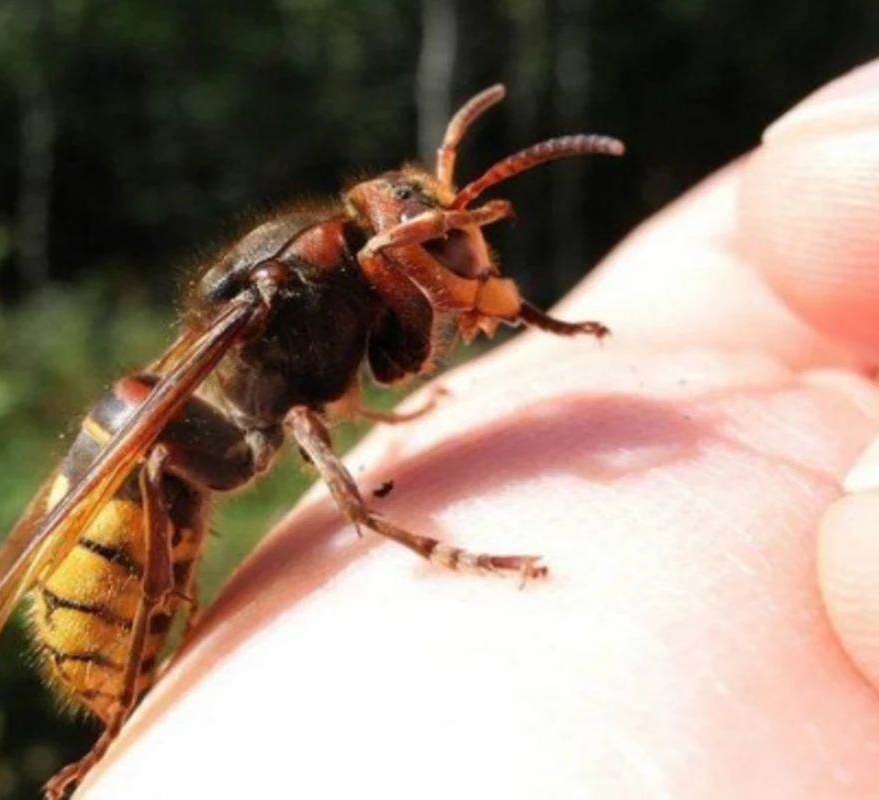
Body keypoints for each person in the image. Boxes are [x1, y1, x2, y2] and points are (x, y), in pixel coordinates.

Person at [81, 59, 879, 798]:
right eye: (432, 244)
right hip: (116, 527)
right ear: (387, 247)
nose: (464, 263)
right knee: (160, 461)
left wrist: (509, 317)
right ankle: (117, 719)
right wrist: (438, 545)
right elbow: (292, 402)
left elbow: (323, 365)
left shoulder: (334, 275)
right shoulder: (296, 288)